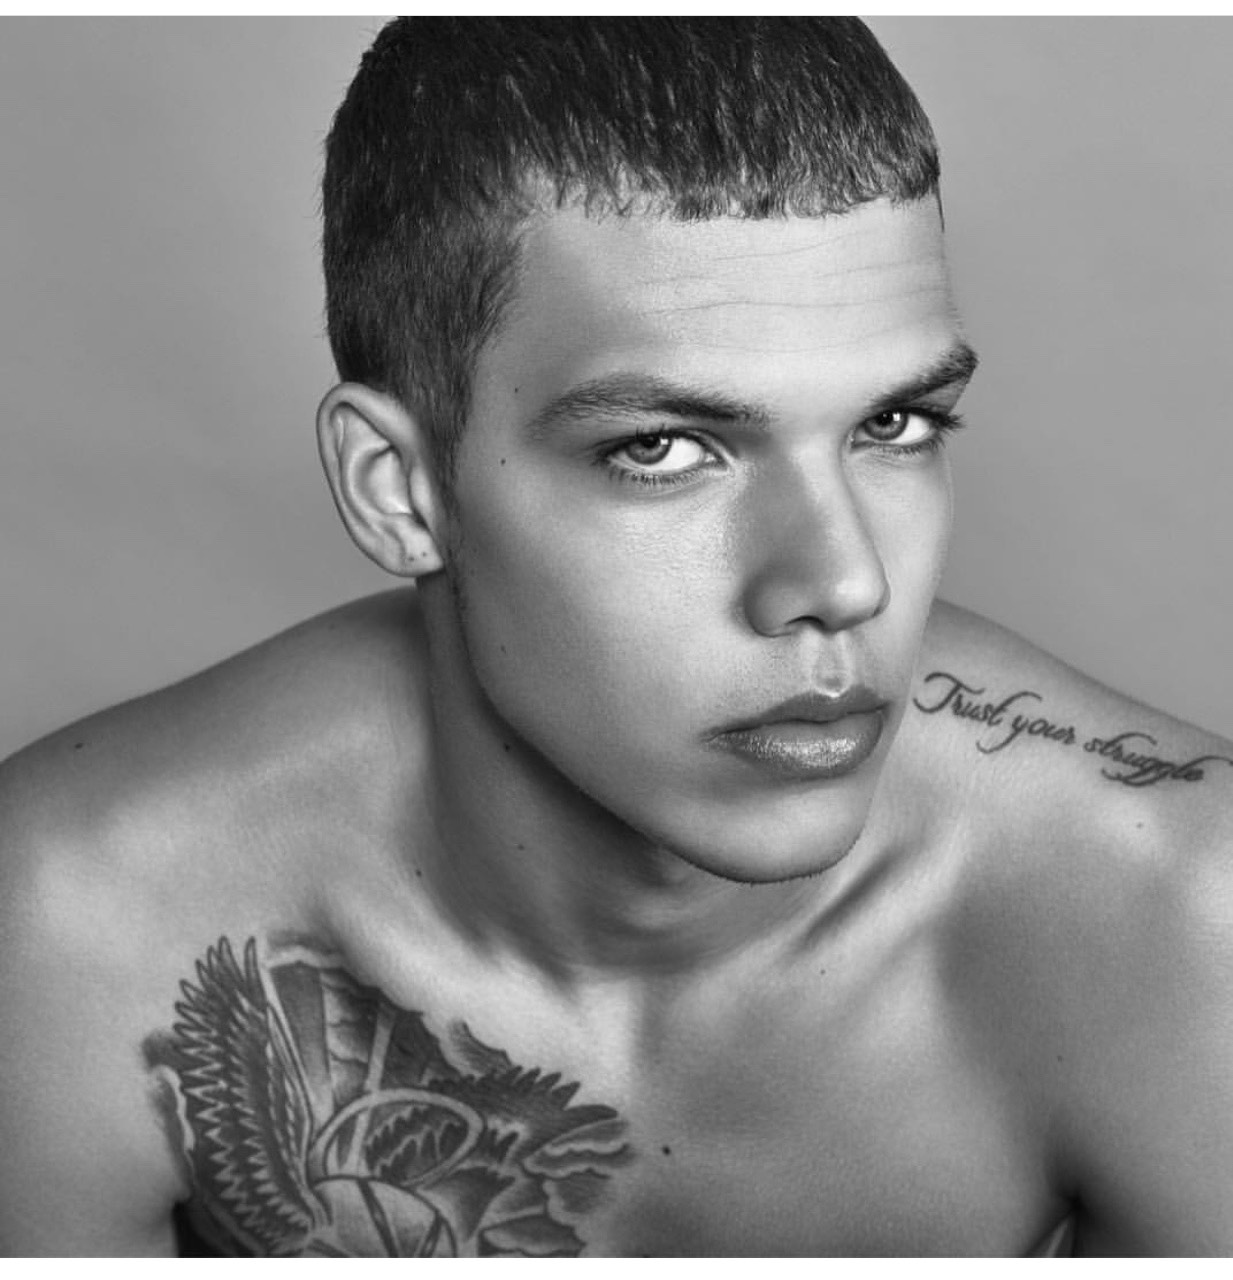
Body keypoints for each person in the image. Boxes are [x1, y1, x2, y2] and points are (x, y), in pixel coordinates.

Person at [1, 16, 1231, 1258]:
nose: (843, 580)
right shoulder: (76, 925)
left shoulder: (1177, 913)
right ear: (400, 489)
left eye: (895, 424)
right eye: (662, 448)